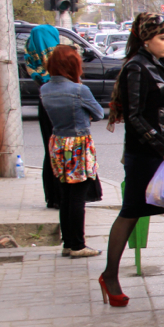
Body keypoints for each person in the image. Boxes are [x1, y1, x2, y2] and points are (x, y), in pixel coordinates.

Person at [98, 13, 164, 307]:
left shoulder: (160, 62)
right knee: (131, 213)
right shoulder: (136, 66)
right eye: (163, 38)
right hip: (147, 156)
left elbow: (162, 102)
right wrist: (163, 148)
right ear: (145, 39)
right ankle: (110, 276)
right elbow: (134, 116)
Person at [40, 46, 104, 258]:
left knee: (65, 195)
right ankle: (78, 245)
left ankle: (68, 243)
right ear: (73, 65)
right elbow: (98, 113)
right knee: (78, 196)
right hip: (78, 144)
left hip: (57, 143)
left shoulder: (45, 89)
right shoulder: (79, 90)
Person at [24, 24, 63, 209]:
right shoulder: (58, 62)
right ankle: (62, 195)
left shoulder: (32, 59)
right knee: (61, 150)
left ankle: (53, 196)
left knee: (50, 150)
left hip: (44, 103)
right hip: (59, 106)